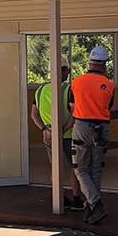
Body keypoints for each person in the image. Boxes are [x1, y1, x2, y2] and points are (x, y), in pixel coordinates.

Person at [30, 55, 84, 211]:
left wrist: (45, 129)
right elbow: (75, 114)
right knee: (74, 167)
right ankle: (76, 198)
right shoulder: (69, 89)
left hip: (49, 137)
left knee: (55, 167)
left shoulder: (40, 90)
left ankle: (58, 198)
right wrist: (62, 131)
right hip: (68, 136)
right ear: (65, 70)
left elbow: (34, 114)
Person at [69, 45, 115, 224]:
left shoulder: (76, 82)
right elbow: (108, 107)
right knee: (96, 169)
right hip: (102, 128)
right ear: (104, 64)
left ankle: (95, 204)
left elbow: (71, 107)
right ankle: (91, 207)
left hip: (81, 126)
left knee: (80, 168)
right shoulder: (109, 85)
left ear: (89, 62)